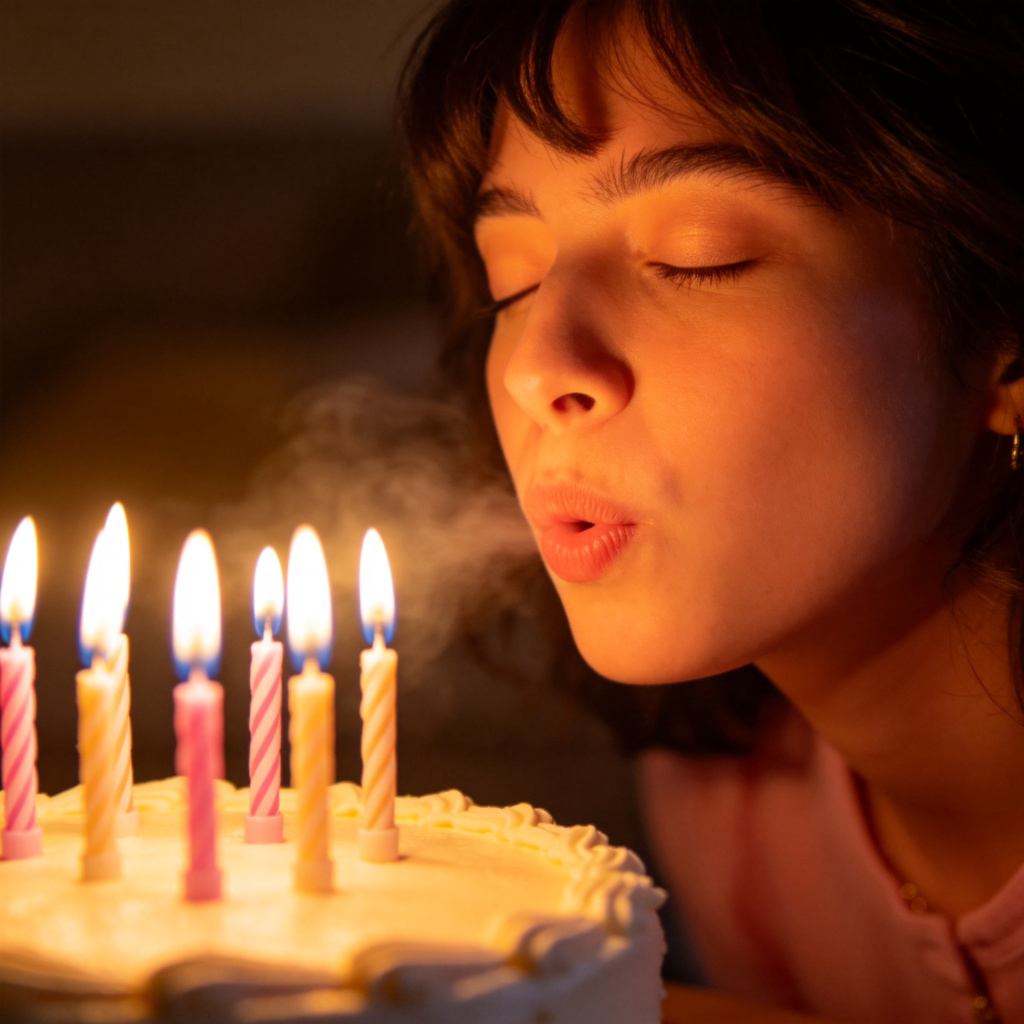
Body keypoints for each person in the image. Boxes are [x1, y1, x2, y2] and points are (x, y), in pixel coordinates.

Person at [399, 1, 1024, 1021]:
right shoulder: (725, 800)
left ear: (1005, 343)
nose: (539, 368)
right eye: (510, 280)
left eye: (697, 254)